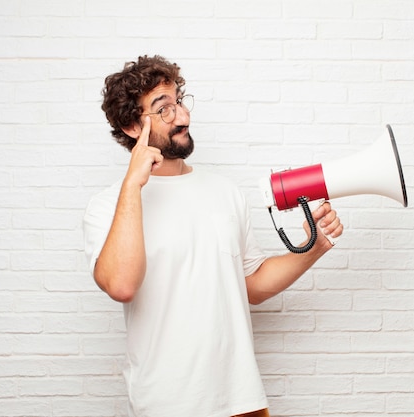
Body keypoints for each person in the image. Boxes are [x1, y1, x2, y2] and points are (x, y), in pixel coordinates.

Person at [83, 55, 343, 417]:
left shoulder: (225, 192)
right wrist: (133, 184)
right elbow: (122, 285)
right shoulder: (109, 205)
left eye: (179, 103)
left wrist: (313, 249)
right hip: (165, 404)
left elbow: (250, 285)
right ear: (131, 127)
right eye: (164, 110)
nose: (183, 117)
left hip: (242, 400)